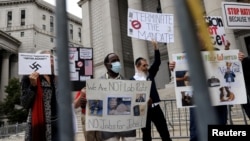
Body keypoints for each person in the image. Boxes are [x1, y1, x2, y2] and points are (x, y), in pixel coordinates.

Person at [168, 40, 245, 141]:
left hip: (216, 100)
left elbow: (226, 66)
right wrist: (173, 67)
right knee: (196, 131)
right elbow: (180, 74)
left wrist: (234, 56)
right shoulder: (185, 55)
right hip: (198, 100)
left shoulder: (215, 51)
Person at [131, 40, 172, 141]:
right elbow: (132, 96)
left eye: (147, 65)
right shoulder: (132, 80)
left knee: (164, 131)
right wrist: (144, 99)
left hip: (156, 108)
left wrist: (156, 47)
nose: (146, 67)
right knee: (146, 134)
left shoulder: (150, 74)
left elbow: (157, 63)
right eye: (144, 65)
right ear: (137, 66)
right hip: (143, 110)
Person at [20, 49, 58, 141]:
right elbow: (24, 103)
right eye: (47, 57)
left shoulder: (55, 77)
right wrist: (33, 86)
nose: (51, 59)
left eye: (52, 56)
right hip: (40, 123)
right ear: (39, 60)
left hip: (58, 122)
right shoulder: (29, 76)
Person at [99, 53, 136, 141]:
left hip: (127, 127)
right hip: (108, 129)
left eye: (118, 60)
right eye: (114, 61)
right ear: (106, 65)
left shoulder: (129, 83)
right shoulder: (97, 84)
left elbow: (135, 103)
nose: (117, 63)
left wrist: (145, 102)